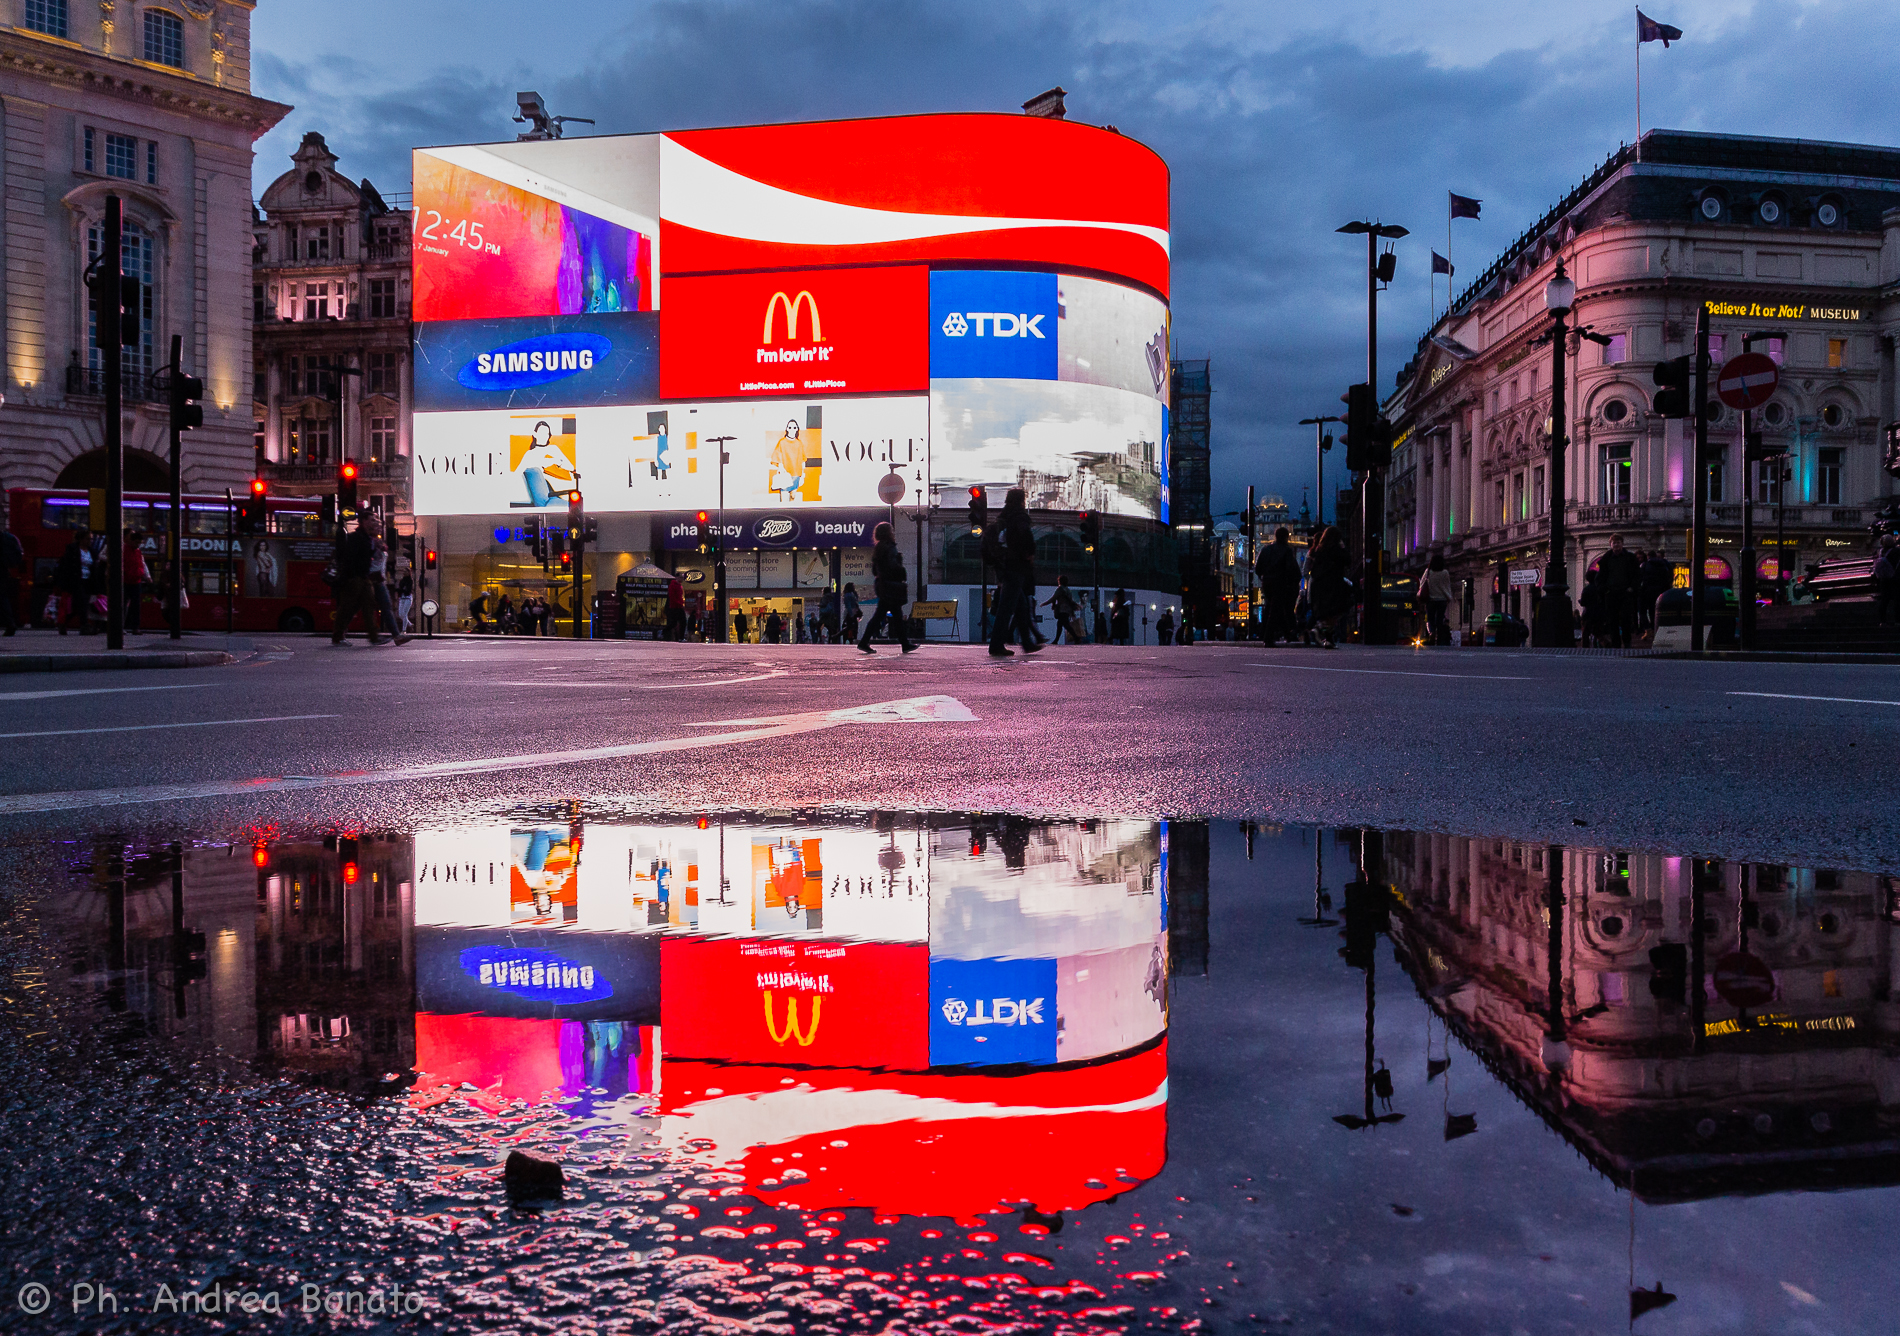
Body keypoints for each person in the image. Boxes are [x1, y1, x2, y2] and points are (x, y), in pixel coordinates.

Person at [988, 488, 1043, 657]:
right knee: (1006, 608)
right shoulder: (1018, 516)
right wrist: (1029, 553)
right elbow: (1024, 536)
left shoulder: (1003, 517)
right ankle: (996, 645)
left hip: (1005, 565)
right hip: (1016, 565)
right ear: (1022, 500)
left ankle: (1027, 643)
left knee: (1021, 607)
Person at [858, 521, 916, 654]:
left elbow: (874, 570)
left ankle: (903, 643)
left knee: (889, 614)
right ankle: (904, 643)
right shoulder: (889, 547)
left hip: (883, 584)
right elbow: (892, 565)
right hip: (890, 585)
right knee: (889, 615)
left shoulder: (879, 548)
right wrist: (901, 570)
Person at [330, 516, 383, 645]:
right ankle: (338, 636)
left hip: (364, 577)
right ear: (364, 522)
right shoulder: (355, 537)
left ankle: (374, 637)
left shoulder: (367, 538)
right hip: (354, 578)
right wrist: (350, 576)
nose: (374, 523)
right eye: (371, 520)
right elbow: (350, 558)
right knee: (347, 608)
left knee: (368, 606)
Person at [1305, 526, 1352, 648]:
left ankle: (1328, 638)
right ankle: (1320, 629)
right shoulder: (1336, 549)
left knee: (1327, 613)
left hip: (1319, 584)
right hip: (1333, 583)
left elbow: (1311, 569)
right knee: (1339, 610)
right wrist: (1342, 547)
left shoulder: (1318, 550)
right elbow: (1347, 560)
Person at [1255, 527, 1302, 645]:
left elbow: (1257, 568)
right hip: (1280, 582)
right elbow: (1291, 569)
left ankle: (1287, 634)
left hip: (1267, 582)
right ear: (1286, 537)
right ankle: (1268, 637)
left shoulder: (1266, 549)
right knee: (1275, 609)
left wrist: (1263, 576)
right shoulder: (1286, 551)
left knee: (1275, 608)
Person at [1596, 533, 1642, 648]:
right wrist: (1605, 590)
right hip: (1611, 593)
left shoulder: (1630, 558)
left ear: (1622, 544)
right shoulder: (1606, 559)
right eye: (1614, 543)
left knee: (1626, 619)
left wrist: (1631, 588)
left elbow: (1637, 575)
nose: (1616, 545)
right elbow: (1600, 577)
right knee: (1612, 620)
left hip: (1625, 593)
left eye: (1618, 543)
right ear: (1610, 545)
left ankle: (1627, 641)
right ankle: (1616, 642)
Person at [1417, 552, 1455, 646]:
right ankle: (1439, 636)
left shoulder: (1428, 572)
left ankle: (1432, 633)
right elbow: (1447, 586)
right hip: (1442, 600)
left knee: (1430, 619)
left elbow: (1421, 585)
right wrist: (1448, 597)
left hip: (1431, 600)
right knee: (1440, 619)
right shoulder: (1445, 573)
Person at [54, 532, 88, 634]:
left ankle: (63, 623)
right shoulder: (72, 549)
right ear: (81, 539)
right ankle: (84, 626)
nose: (91, 541)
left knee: (77, 606)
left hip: (88, 581)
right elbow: (66, 566)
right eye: (88, 539)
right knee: (82, 604)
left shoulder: (91, 551)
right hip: (76, 581)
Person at [1044, 576, 1086, 643]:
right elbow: (1070, 600)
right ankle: (1057, 640)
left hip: (1062, 609)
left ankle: (1076, 638)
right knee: (1061, 624)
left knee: (1065, 625)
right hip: (1067, 610)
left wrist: (1044, 603)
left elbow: (1053, 598)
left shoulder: (1060, 589)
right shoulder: (1068, 590)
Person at [122, 533, 149, 633]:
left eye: (140, 543)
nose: (138, 545)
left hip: (136, 581)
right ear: (131, 541)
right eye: (137, 542)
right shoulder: (123, 550)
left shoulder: (138, 552)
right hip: (125, 581)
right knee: (123, 605)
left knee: (136, 606)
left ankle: (135, 627)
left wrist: (144, 575)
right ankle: (122, 626)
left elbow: (141, 564)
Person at [0, 511, 22, 636]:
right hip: (3, 571)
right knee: (2, 598)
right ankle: (10, 623)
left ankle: (10, 623)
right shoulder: (3, 537)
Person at [1875, 533, 1900, 626]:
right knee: (1897, 600)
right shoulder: (1897, 551)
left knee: (1884, 600)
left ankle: (1883, 621)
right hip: (1895, 578)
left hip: (1883, 579)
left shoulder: (1881, 552)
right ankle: (1898, 620)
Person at [665, 575, 686, 641]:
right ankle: (680, 637)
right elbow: (672, 597)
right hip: (675, 607)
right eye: (681, 577)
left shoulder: (679, 586)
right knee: (677, 622)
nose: (682, 579)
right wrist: (680, 603)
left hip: (678, 606)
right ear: (677, 577)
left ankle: (681, 637)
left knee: (679, 622)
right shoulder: (673, 586)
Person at [395, 566, 414, 634]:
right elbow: (400, 589)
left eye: (406, 571)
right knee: (400, 614)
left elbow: (408, 590)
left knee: (405, 613)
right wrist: (401, 590)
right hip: (402, 598)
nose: (404, 573)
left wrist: (402, 590)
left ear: (409, 573)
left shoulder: (410, 580)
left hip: (408, 598)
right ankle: (410, 624)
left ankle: (404, 630)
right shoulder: (402, 580)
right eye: (404, 571)